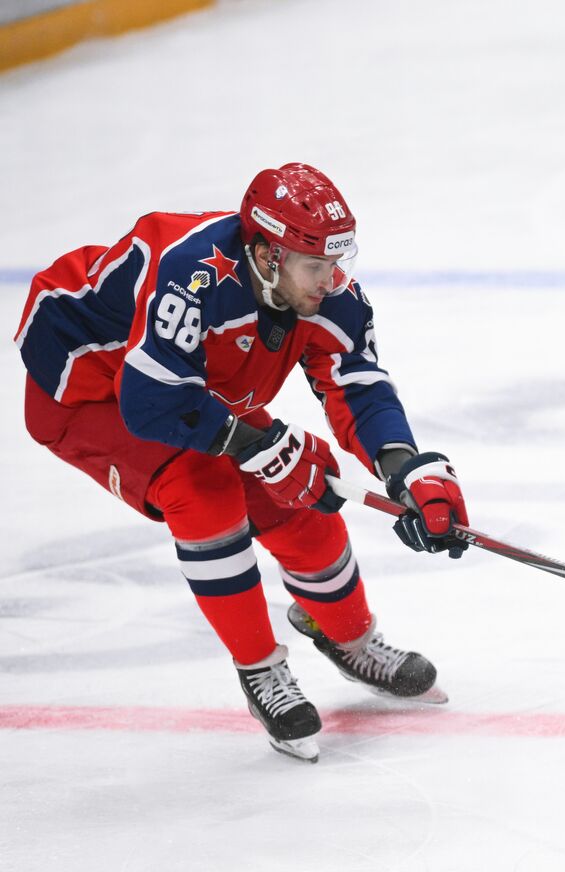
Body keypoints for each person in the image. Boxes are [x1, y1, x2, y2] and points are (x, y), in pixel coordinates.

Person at [14, 163, 469, 762]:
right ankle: (260, 667)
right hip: (87, 393)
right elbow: (151, 402)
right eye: (316, 266)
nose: (332, 281)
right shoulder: (191, 276)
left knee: (305, 484)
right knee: (202, 486)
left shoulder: (327, 293)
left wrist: (410, 469)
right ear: (266, 254)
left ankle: (349, 637)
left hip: (189, 387)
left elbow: (358, 386)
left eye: (339, 263)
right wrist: (259, 446)